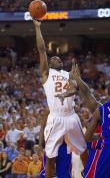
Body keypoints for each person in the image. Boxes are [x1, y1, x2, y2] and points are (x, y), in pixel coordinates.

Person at [33, 20, 86, 178]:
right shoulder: (46, 74)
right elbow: (42, 50)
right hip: (56, 117)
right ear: (49, 63)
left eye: (60, 58)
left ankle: (91, 173)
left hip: (71, 115)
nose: (59, 59)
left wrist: (71, 86)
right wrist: (37, 27)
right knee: (50, 157)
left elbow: (76, 89)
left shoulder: (69, 74)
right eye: (55, 58)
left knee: (83, 150)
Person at [39, 108, 72, 178]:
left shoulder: (68, 109)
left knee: (64, 174)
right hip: (52, 145)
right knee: (46, 173)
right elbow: (43, 126)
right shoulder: (49, 110)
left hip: (64, 146)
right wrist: (40, 144)